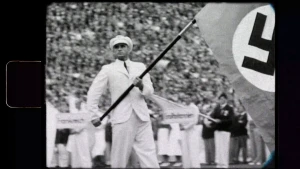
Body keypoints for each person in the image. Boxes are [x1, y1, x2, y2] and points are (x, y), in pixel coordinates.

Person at [87, 35, 160, 168]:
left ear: (129, 48)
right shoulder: (108, 69)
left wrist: (141, 86)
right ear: (113, 51)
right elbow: (93, 92)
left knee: (149, 154)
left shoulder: (140, 66)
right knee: (119, 157)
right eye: (116, 47)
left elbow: (150, 92)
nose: (120, 49)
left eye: (123, 46)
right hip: (121, 117)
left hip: (142, 116)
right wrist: (93, 115)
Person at [209, 93, 234, 168]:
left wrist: (221, 121)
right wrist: (210, 122)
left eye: (223, 99)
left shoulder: (229, 108)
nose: (221, 100)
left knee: (224, 147)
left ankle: (224, 164)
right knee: (218, 147)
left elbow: (231, 120)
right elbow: (212, 117)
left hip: (225, 130)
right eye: (220, 99)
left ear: (226, 100)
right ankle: (219, 163)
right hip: (217, 130)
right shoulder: (217, 108)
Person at [179, 99, 201, 168]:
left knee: (193, 149)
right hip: (184, 131)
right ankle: (187, 166)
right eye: (185, 97)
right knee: (185, 149)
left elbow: (195, 120)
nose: (186, 99)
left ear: (190, 98)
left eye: (188, 97)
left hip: (192, 130)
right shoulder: (183, 107)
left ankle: (195, 166)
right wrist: (181, 124)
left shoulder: (194, 108)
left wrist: (185, 127)